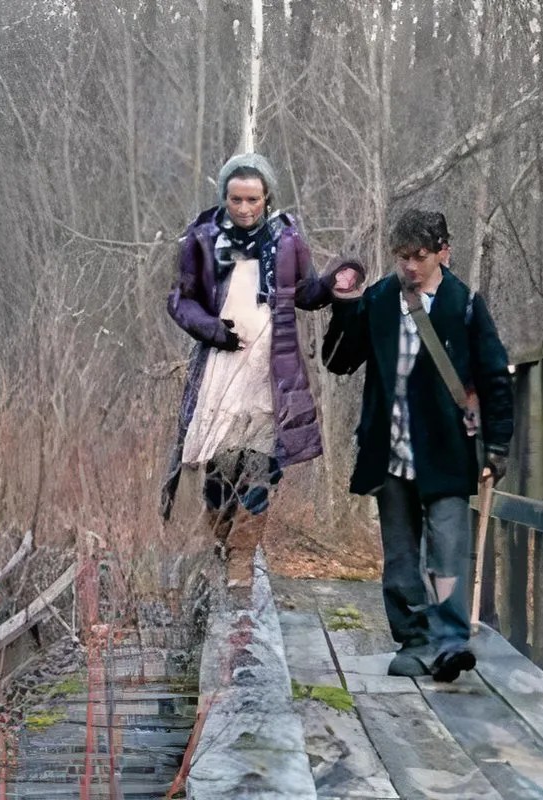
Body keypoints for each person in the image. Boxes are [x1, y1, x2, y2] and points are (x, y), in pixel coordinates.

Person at [321, 210, 512, 682]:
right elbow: (338, 361)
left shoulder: (464, 304)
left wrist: (499, 445)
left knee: (447, 549)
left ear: (442, 252)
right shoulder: (381, 299)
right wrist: (344, 305)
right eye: (401, 256)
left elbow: (494, 376)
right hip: (390, 449)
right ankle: (414, 640)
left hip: (445, 448)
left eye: (419, 256)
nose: (409, 265)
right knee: (402, 555)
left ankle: (449, 644)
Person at [161, 153, 362, 585]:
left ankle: (241, 560)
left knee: (260, 465)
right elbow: (180, 300)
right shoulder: (202, 237)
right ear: (225, 197)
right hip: (220, 369)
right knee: (219, 466)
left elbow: (304, 291)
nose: (245, 208)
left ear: (267, 197)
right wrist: (213, 330)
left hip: (272, 371)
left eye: (253, 199)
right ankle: (221, 539)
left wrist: (332, 284)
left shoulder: (287, 239)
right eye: (236, 199)